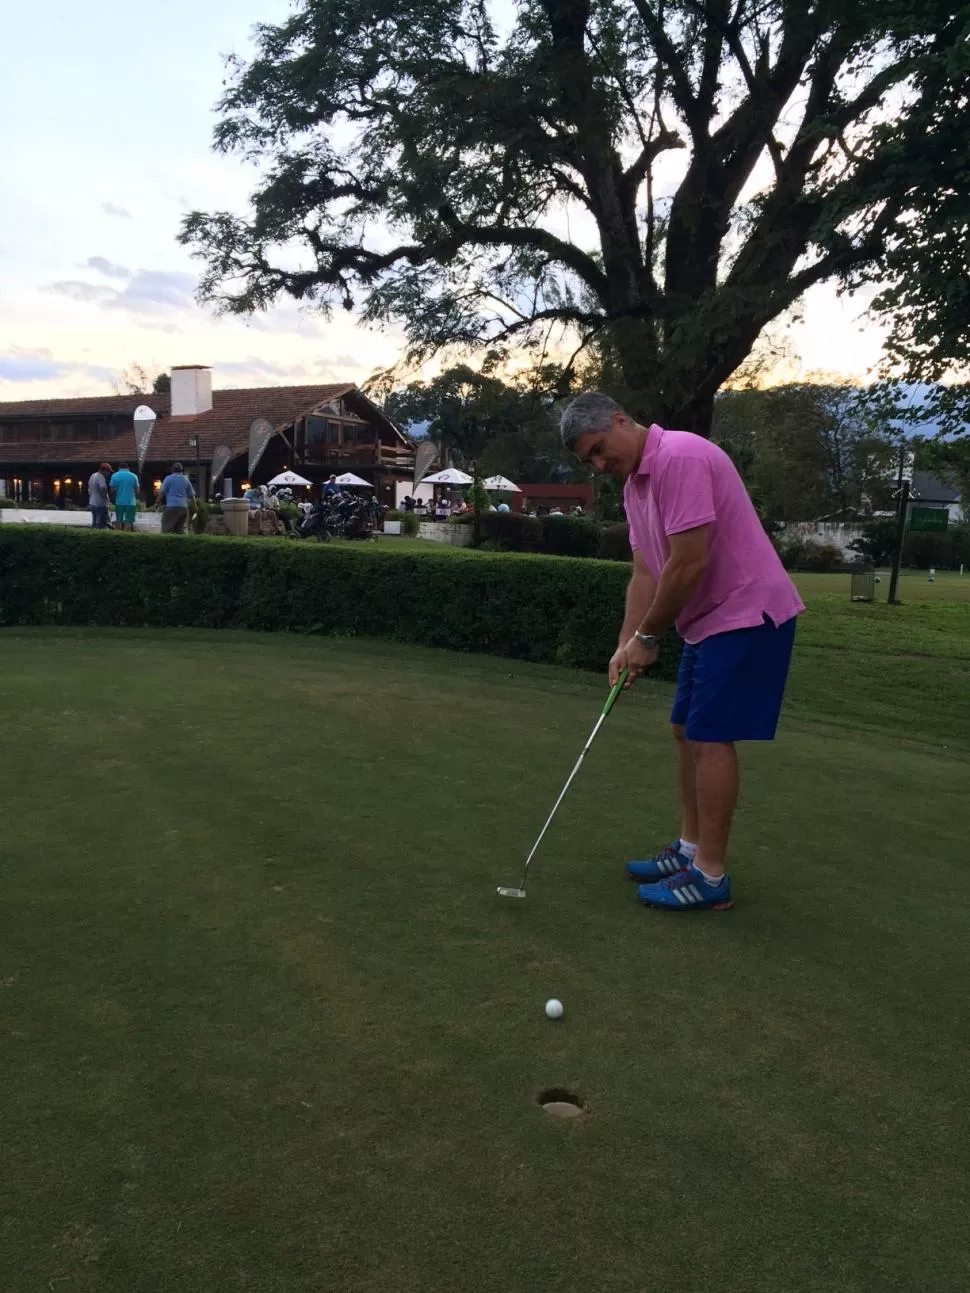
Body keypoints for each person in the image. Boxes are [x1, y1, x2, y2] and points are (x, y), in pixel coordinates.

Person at [559, 392, 803, 913]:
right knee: (684, 730)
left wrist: (649, 639)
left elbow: (689, 563)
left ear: (623, 419)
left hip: (747, 611)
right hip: (708, 620)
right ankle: (690, 851)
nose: (600, 464)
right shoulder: (635, 487)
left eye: (600, 449)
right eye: (590, 461)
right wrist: (626, 645)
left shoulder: (681, 457)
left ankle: (710, 876)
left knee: (711, 737)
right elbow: (647, 571)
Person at [157, 462, 196, 534]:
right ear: (182, 471)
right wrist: (195, 507)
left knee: (166, 530)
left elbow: (162, 492)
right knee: (180, 530)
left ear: (172, 470)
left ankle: (166, 545)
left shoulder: (168, 478)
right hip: (183, 508)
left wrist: (157, 502)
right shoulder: (186, 479)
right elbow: (192, 495)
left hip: (172, 507)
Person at [109, 462, 140, 531]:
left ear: (119, 468)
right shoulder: (133, 476)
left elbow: (111, 489)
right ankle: (126, 537)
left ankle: (118, 536)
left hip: (119, 501)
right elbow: (137, 490)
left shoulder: (115, 475)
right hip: (131, 502)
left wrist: (116, 492)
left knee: (118, 520)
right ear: (128, 468)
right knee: (128, 521)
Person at [88, 462, 111, 529]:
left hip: (92, 503)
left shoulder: (92, 475)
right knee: (101, 524)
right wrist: (104, 496)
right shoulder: (100, 476)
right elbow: (103, 487)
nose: (108, 474)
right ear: (104, 471)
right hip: (101, 504)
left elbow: (89, 490)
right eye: (108, 471)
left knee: (94, 523)